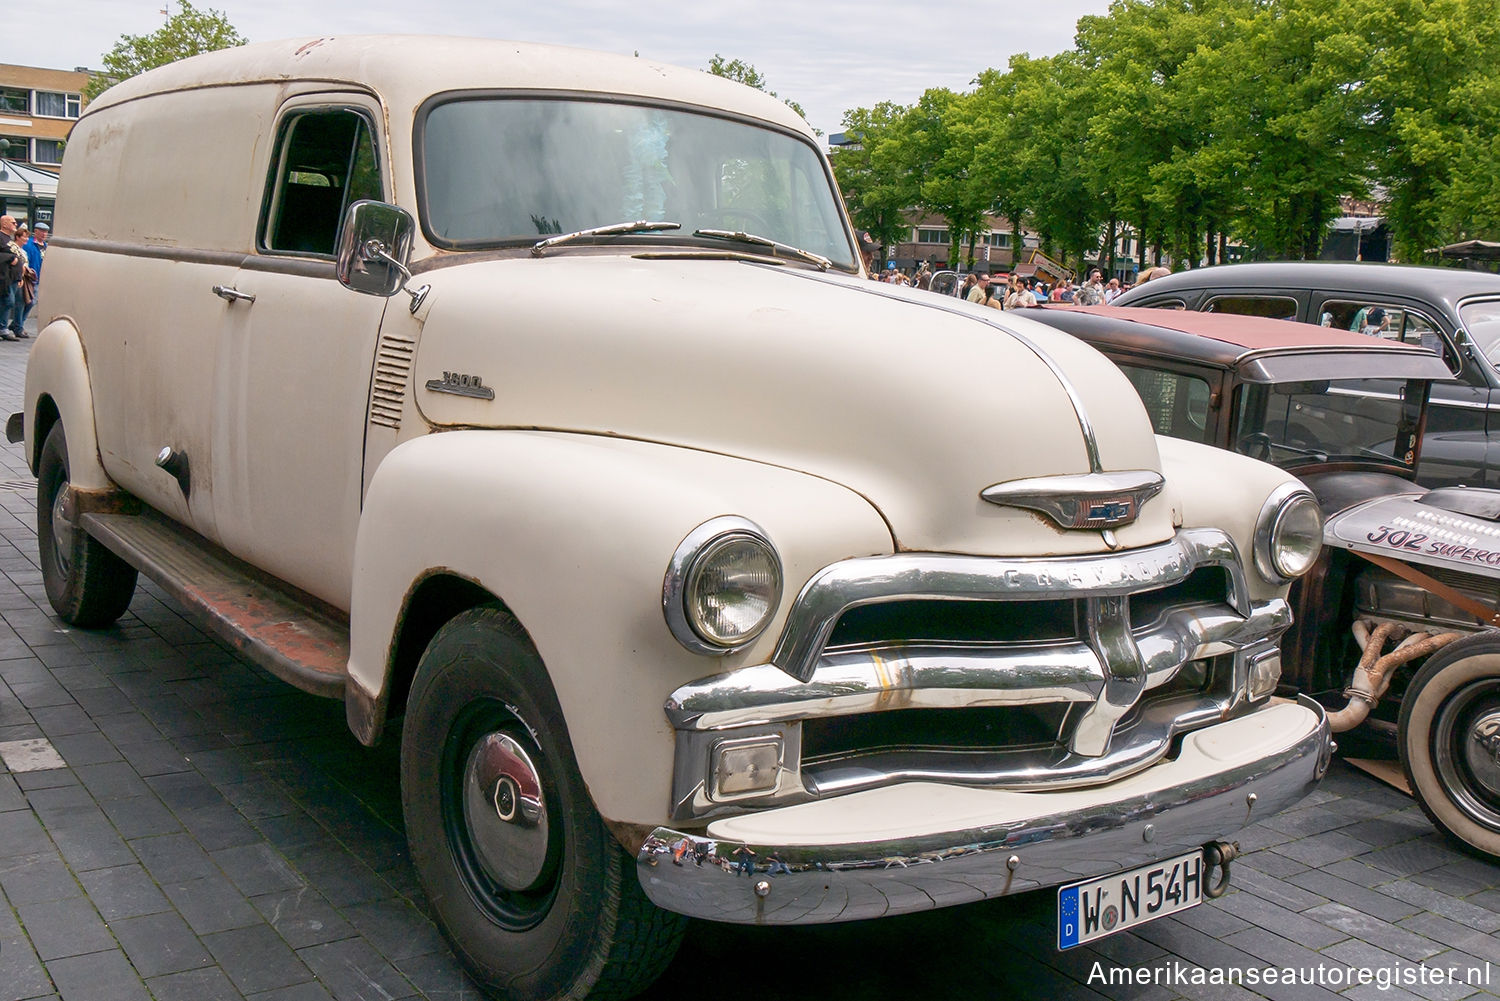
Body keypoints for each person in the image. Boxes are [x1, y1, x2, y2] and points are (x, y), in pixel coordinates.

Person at [0, 216, 26, 342]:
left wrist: (20, 275)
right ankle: (3, 328)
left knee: (14, 302)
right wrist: (10, 259)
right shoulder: (1, 237)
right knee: (8, 301)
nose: (16, 224)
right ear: (4, 224)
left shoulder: (9, 239)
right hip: (5, 277)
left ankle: (5, 327)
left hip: (15, 277)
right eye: (13, 222)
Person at [18, 221, 44, 336]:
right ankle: (18, 325)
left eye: (46, 232)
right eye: (42, 231)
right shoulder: (29, 244)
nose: (44, 234)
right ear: (36, 232)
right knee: (24, 302)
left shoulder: (45, 246)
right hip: (28, 277)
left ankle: (18, 324)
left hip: (37, 279)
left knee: (31, 302)